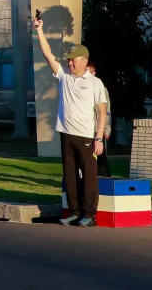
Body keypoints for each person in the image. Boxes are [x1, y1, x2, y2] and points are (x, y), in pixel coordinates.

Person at [33, 15, 107, 228]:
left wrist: (99, 138)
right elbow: (47, 54)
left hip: (87, 137)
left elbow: (101, 112)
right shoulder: (64, 75)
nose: (70, 62)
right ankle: (74, 211)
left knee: (89, 177)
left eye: (74, 60)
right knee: (70, 176)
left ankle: (89, 214)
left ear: (85, 61)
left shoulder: (95, 83)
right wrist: (39, 30)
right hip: (66, 133)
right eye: (69, 59)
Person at [87, 61, 112, 178]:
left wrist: (106, 129)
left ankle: (105, 179)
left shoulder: (101, 88)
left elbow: (106, 111)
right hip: (85, 129)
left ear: (94, 73)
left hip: (98, 129)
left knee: (100, 159)